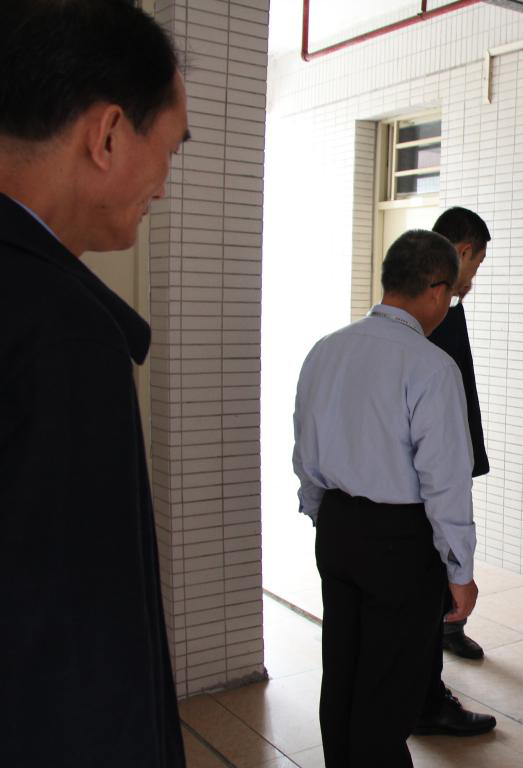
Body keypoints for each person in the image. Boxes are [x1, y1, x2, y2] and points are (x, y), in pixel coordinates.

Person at [0, 2, 189, 766]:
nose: (164, 185)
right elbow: (83, 651)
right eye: (169, 149)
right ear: (107, 135)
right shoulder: (63, 337)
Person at [293, 230, 482, 767]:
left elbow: (305, 448)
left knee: (343, 670)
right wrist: (460, 569)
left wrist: (325, 515)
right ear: (437, 290)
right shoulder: (431, 366)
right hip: (400, 542)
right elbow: (445, 480)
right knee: (390, 682)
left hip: (337, 529)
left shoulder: (326, 350)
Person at [412, 207, 498, 736]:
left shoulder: (443, 307)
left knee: (439, 571)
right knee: (434, 569)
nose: (474, 278)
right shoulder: (429, 313)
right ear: (462, 252)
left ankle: (446, 632)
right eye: (477, 264)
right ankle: (427, 699)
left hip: (441, 462)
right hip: (431, 469)